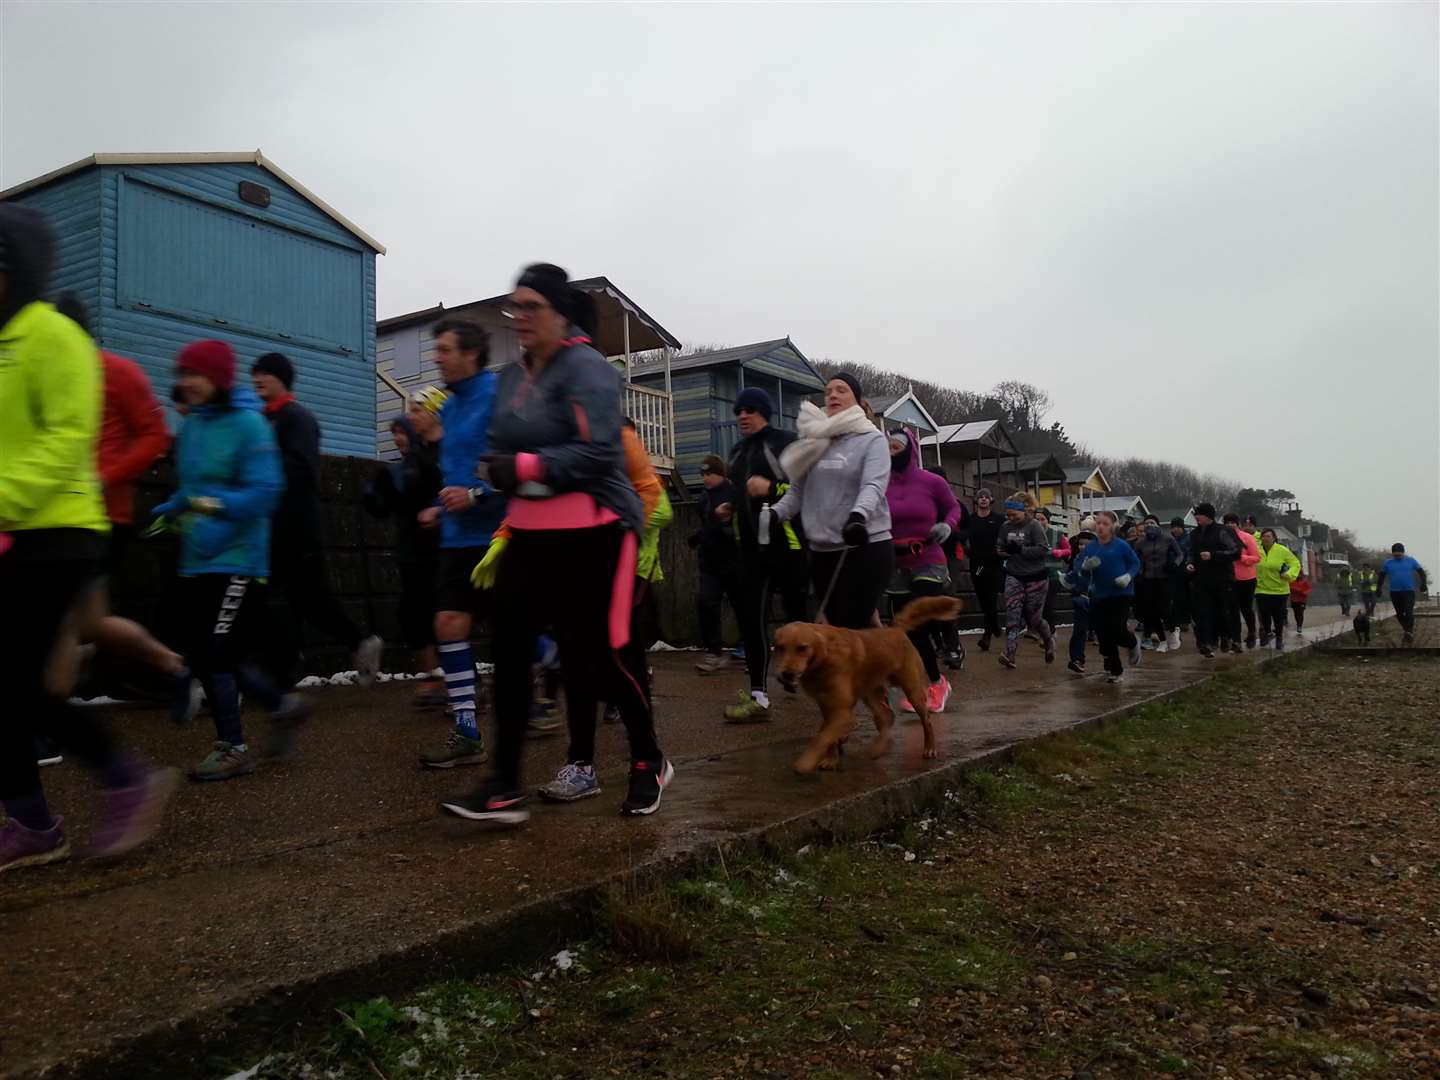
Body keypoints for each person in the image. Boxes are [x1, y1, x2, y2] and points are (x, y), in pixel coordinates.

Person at [439, 263, 671, 824]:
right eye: (513, 308)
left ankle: (648, 760)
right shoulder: (509, 378)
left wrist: (523, 467)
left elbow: (597, 457)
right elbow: (493, 456)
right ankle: (503, 784)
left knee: (604, 655)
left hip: (599, 532)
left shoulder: (588, 368)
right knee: (513, 654)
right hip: (529, 534)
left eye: (531, 307)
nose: (519, 319)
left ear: (559, 313)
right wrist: (511, 474)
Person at [0, 205, 178, 872]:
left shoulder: (53, 338)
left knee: (17, 683)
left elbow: (65, 440)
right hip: (15, 530)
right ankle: (31, 822)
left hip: (60, 531)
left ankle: (120, 780)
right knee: (10, 684)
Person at [151, 340, 308, 780]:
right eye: (182, 374)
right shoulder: (194, 427)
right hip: (198, 556)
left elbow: (265, 491)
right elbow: (194, 485)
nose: (185, 384)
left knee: (218, 650)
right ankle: (282, 706)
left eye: (194, 374)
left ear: (218, 378)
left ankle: (233, 747)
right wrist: (174, 506)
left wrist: (211, 509)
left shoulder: (249, 426)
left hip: (239, 557)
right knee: (207, 652)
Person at [251, 352, 383, 689]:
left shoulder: (297, 418)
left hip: (296, 526)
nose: (257, 379)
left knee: (309, 599)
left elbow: (303, 469)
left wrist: (260, 476)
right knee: (274, 599)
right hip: (268, 527)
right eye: (255, 374)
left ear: (281, 378)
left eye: (264, 374)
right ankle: (284, 664)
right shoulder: (263, 420)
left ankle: (356, 642)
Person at [415, 319, 504, 768]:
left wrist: (475, 496)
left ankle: (563, 670)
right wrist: (439, 503)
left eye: (444, 350)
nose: (436, 357)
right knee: (449, 623)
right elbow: (455, 473)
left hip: (500, 538)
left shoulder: (498, 399)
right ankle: (467, 728)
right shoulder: (448, 409)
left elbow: (515, 469)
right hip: (456, 538)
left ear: (471, 354)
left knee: (524, 633)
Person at [770, 373, 893, 631]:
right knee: (841, 628)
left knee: (849, 629)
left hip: (864, 546)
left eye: (841, 390)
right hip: (822, 552)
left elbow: (873, 485)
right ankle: (886, 665)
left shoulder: (873, 440)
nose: (833, 395)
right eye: (828, 391)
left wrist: (858, 516)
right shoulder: (814, 443)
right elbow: (796, 494)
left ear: (857, 400)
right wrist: (774, 514)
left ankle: (885, 666)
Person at [720, 386, 809, 723]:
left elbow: (806, 488)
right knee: (752, 620)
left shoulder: (786, 442)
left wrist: (771, 489)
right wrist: (732, 506)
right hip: (751, 550)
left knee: (799, 620)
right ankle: (758, 694)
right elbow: (740, 491)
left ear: (764, 412)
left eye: (750, 410)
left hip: (788, 545)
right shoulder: (738, 451)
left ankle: (810, 677)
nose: (743, 415)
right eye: (739, 411)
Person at [363, 408, 445, 707]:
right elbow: (392, 507)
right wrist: (377, 497)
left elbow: (437, 493)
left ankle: (458, 680)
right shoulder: (404, 466)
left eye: (401, 431)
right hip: (410, 549)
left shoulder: (429, 460)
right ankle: (433, 677)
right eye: (393, 432)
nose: (397, 438)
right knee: (412, 614)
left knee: (438, 615)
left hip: (436, 548)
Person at [883, 429, 961, 713]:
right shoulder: (881, 483)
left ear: (910, 449)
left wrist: (948, 525)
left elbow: (953, 507)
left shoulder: (932, 481)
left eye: (897, 446)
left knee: (916, 622)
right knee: (905, 629)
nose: (892, 450)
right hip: (896, 562)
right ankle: (930, 682)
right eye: (888, 446)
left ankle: (936, 683)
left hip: (928, 557)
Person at [1076, 512, 1142, 683]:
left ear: (1113, 526)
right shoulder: (1091, 547)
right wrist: (1084, 567)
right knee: (1103, 635)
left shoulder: (1121, 545)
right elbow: (1081, 571)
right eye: (1098, 523)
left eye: (1105, 523)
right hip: (1099, 595)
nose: (1100, 526)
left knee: (1117, 628)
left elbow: (1135, 563)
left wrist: (1128, 576)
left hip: (1121, 593)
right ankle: (1116, 671)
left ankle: (1132, 643)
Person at [692, 454, 742, 674]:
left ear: (721, 474)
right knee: (705, 603)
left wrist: (724, 523)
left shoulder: (735, 495)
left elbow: (741, 529)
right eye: (703, 474)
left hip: (735, 562)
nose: (705, 478)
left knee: (743, 607)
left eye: (709, 474)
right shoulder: (703, 499)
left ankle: (748, 649)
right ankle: (714, 652)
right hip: (710, 563)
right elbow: (708, 526)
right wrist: (699, 537)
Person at [996, 492, 1056, 668]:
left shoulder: (1034, 526)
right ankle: (1009, 653)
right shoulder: (1005, 527)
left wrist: (1021, 550)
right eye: (1008, 515)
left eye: (1014, 515)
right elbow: (999, 549)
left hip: (1036, 576)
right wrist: (1006, 551)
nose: (1010, 518)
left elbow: (1043, 549)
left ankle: (1048, 640)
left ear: (1025, 511)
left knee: (1034, 619)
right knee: (1012, 616)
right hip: (1014, 575)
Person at [924, 465, 968, 670]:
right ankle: (939, 644)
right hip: (928, 556)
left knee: (946, 600)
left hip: (951, 556)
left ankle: (954, 647)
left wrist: (956, 535)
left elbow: (969, 528)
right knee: (929, 603)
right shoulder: (924, 503)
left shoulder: (955, 504)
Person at [1184, 502, 1239, 659]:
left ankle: (1225, 637)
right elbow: (1190, 552)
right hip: (1201, 579)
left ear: (1208, 516)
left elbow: (1235, 551)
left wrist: (1214, 555)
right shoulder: (1194, 534)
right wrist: (1189, 564)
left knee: (1222, 611)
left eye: (1199, 515)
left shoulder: (1223, 531)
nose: (1196, 517)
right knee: (1203, 612)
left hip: (1222, 579)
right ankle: (1206, 643)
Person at [1131, 514, 1179, 652]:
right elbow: (1134, 559)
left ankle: (1173, 629)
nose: (1149, 526)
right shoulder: (1140, 542)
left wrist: (1174, 564)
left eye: (1152, 523)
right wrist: (1138, 571)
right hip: (1147, 579)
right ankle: (1162, 641)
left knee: (1164, 609)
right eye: (1146, 524)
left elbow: (1180, 554)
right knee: (1152, 612)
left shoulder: (1168, 539)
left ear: (1158, 524)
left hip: (1164, 578)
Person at [965, 489, 1005, 651]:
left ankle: (987, 635)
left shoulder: (998, 519)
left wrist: (1000, 553)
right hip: (977, 564)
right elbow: (964, 538)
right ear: (976, 500)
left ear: (991, 500)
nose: (983, 500)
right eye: (980, 497)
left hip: (994, 564)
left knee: (991, 597)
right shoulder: (970, 519)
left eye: (986, 497)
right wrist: (969, 553)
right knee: (982, 599)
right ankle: (995, 626)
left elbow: (1005, 537)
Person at [1062, 517, 1099, 674]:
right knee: (1079, 631)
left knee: (1103, 631)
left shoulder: (1100, 558)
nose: (1083, 547)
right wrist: (1066, 579)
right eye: (1081, 544)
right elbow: (1074, 576)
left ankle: (1110, 660)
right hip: (1080, 599)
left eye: (1086, 544)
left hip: (1098, 600)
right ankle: (1076, 659)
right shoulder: (1077, 559)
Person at [1254, 529, 1301, 651]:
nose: (1266, 538)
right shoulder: (1256, 550)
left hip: (1279, 590)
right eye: (1263, 536)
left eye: (1268, 536)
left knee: (1278, 616)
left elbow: (1295, 563)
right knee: (1264, 615)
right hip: (1261, 589)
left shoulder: (1282, 550)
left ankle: (1279, 638)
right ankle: (1268, 632)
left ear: (1274, 538)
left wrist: (1289, 574)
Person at [1223, 512, 1261, 649]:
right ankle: (1235, 638)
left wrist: (1242, 558)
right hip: (1228, 578)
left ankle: (1251, 633)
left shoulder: (1247, 537)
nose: (1230, 525)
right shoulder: (1221, 538)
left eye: (1232, 522)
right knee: (1231, 609)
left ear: (1237, 524)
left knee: (1246, 608)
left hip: (1246, 579)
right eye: (1227, 522)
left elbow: (1256, 557)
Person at [1376, 543, 1427, 643]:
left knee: (1408, 612)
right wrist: (1378, 588)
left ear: (1403, 553)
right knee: (1399, 614)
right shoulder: (1388, 563)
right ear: (1392, 554)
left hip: (1409, 591)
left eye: (1399, 555)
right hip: (1395, 592)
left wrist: (1423, 584)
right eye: (1395, 555)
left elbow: (1421, 572)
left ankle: (1409, 632)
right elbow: (1381, 576)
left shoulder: (1411, 561)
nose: (1397, 557)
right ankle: (1407, 631)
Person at [1034, 508, 1070, 637]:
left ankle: (1051, 631)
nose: (1039, 522)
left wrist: (1060, 552)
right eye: (1037, 519)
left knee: (1048, 603)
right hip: (1037, 574)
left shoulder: (1057, 534)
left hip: (1054, 574)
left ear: (1048, 520)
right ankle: (1043, 630)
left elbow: (1068, 550)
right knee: (1039, 605)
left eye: (1042, 519)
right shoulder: (1031, 535)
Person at [1165, 517, 1191, 650]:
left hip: (1186, 572)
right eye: (1173, 527)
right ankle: (1178, 622)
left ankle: (1185, 620)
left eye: (1177, 527)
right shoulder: (1170, 539)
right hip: (1173, 572)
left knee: (1185, 597)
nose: (1175, 529)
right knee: (1175, 599)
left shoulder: (1188, 539)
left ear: (1182, 527)